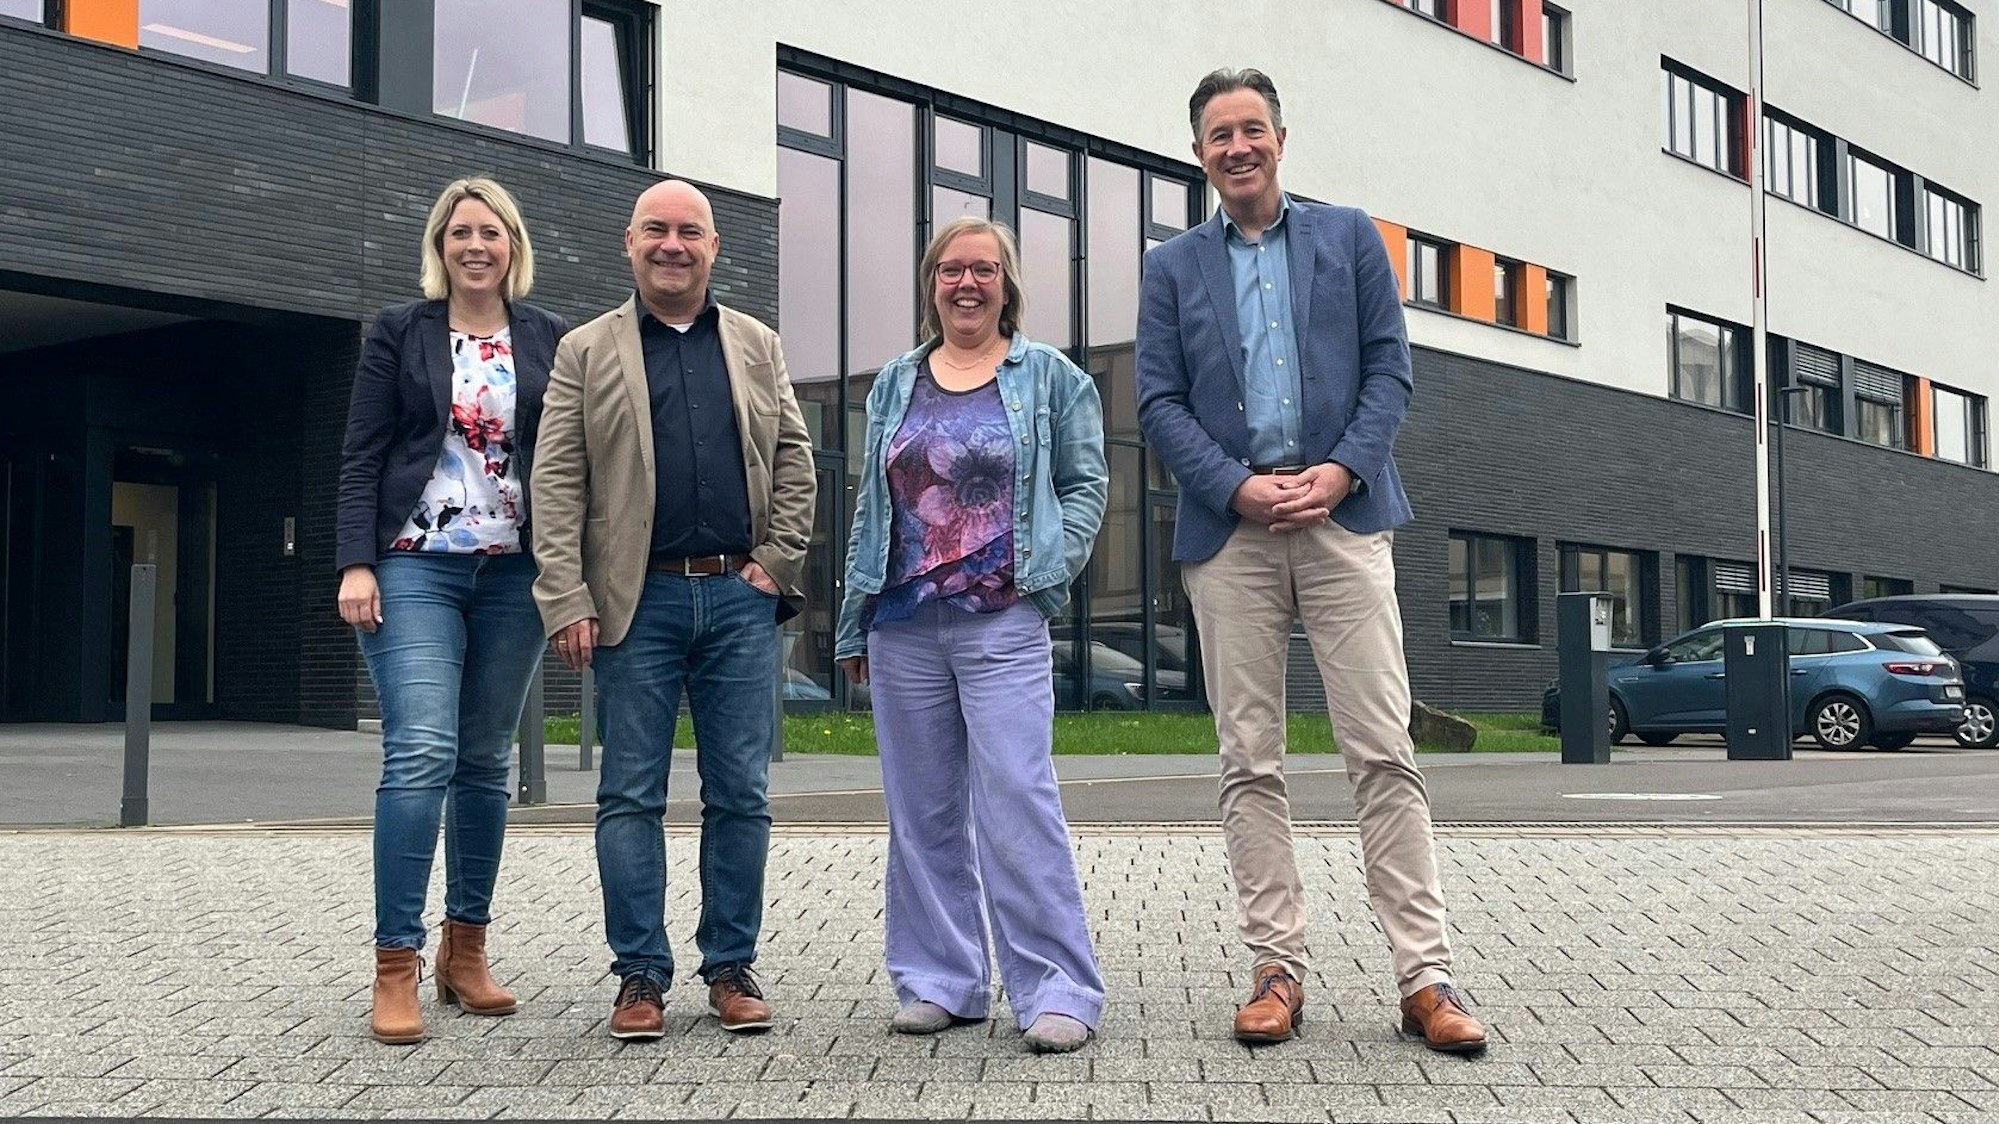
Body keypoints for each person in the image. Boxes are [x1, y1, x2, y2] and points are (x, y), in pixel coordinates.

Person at [1135, 69, 1487, 1054]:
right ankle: (1274, 966)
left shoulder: (1346, 237)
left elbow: (1390, 369)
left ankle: (1424, 977)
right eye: (1217, 134)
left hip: (1342, 520)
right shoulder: (1172, 267)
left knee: (1381, 748)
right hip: (1232, 532)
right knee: (1249, 757)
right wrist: (1236, 486)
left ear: (1280, 139)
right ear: (1199, 153)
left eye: (1251, 129)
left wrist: (1335, 472)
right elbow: (1157, 400)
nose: (1236, 146)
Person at [530, 179, 816, 1041]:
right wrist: (564, 594)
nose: (672, 244)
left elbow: (796, 458)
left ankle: (730, 966)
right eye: (656, 229)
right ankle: (639, 976)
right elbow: (555, 481)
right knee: (627, 794)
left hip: (737, 595)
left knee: (741, 791)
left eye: (689, 231)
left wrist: (775, 562)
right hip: (634, 600)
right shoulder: (585, 350)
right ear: (629, 242)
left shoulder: (757, 344)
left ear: (714, 247)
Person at [834, 216, 1109, 1054]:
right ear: (932, 283)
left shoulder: (1050, 378)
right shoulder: (895, 381)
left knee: (1018, 798)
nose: (966, 284)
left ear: (1006, 282)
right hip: (905, 623)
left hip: (1002, 620)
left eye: (983, 270)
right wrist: (854, 619)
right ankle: (941, 981)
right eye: (952, 270)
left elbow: (1085, 484)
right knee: (920, 811)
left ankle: (1057, 987)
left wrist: (1044, 571)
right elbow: (871, 507)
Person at [335, 177, 568, 1045]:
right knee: (422, 752)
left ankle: (464, 952)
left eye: (492, 232)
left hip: (514, 573)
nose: (476, 245)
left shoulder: (549, 336)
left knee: (482, 761)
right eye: (460, 232)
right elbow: (361, 452)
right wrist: (355, 562)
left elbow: (567, 457)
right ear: (440, 245)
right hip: (413, 566)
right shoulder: (400, 332)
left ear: (513, 244)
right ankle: (395, 960)